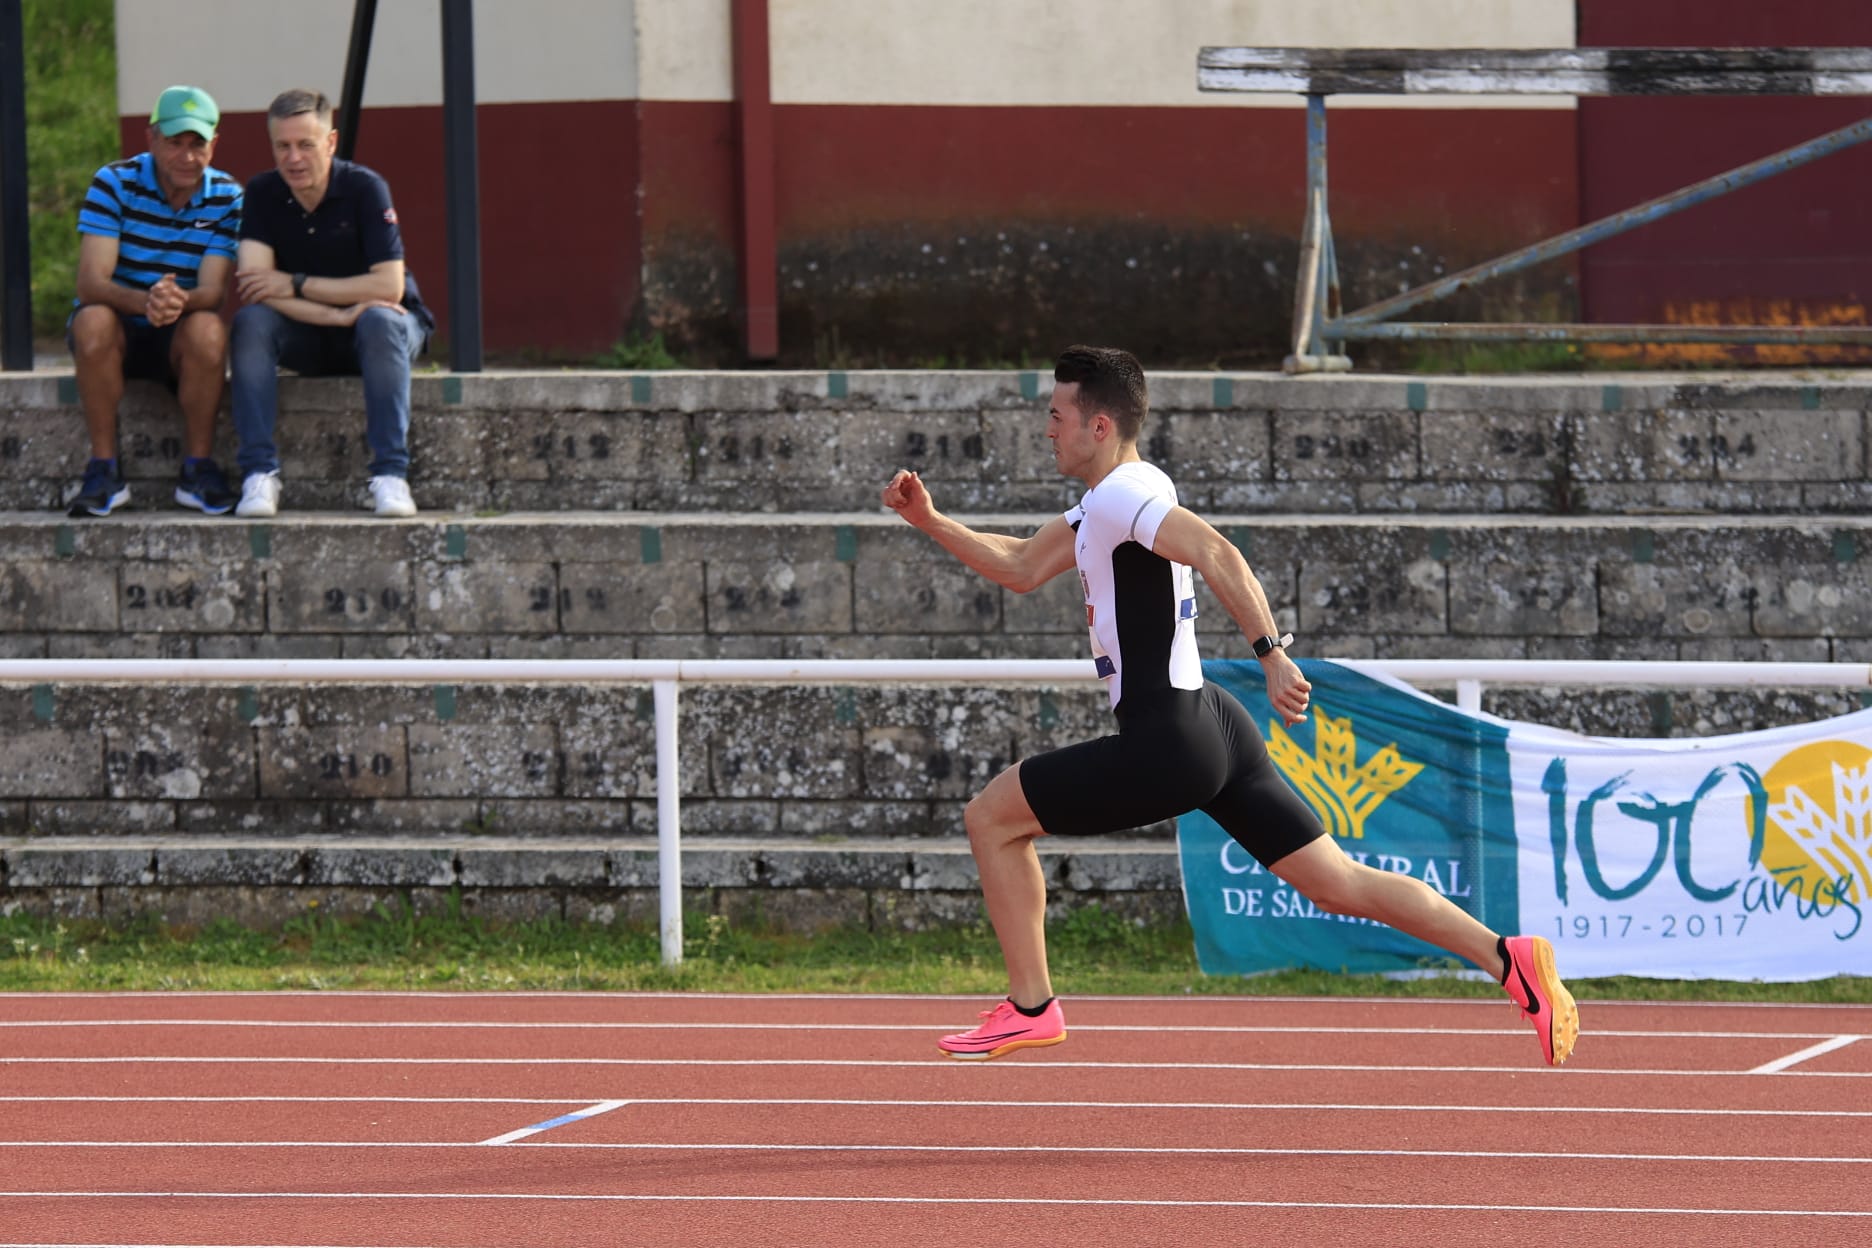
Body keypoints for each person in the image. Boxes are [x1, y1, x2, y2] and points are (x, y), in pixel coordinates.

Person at [881, 345, 1579, 1067]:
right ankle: (1508, 958)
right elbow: (1023, 565)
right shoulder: (1111, 499)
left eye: (1058, 416)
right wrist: (930, 520)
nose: (1047, 429)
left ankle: (1031, 1006)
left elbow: (1216, 552)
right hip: (1212, 723)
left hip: (1167, 739)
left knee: (992, 818)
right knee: (1337, 882)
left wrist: (1271, 653)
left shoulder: (1122, 496)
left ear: (1099, 426)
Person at [229, 88, 434, 518]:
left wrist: (295, 283)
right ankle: (259, 474)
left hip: (384, 330)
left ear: (331, 142)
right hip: (313, 329)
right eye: (282, 146)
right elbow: (256, 287)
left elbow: (388, 287)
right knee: (251, 322)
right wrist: (337, 314)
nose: (293, 158)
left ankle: (390, 475)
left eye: (305, 144)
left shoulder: (365, 188)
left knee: (378, 319)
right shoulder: (262, 192)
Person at [67, 85, 242, 517]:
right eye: (174, 142)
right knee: (92, 321)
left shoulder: (227, 196)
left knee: (209, 330)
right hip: (118, 327)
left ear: (214, 145)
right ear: (151, 139)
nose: (187, 156)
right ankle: (104, 469)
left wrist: (176, 301)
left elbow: (214, 292)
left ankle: (198, 469)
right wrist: (148, 301)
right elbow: (91, 283)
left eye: (197, 144)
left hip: (179, 327)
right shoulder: (114, 182)